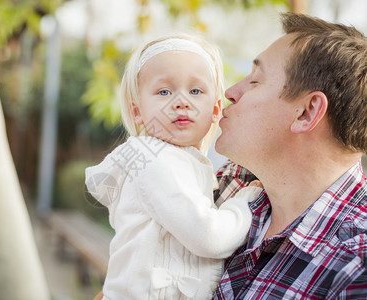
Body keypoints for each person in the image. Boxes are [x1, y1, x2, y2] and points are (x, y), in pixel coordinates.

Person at [85, 34, 262, 300]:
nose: (181, 101)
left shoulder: (179, 161)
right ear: (137, 112)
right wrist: (246, 200)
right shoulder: (153, 161)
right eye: (164, 92)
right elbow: (208, 236)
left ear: (215, 109)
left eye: (195, 91)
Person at [212, 12, 366, 299]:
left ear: (306, 112)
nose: (231, 92)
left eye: (255, 81)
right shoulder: (229, 184)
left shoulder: (356, 269)